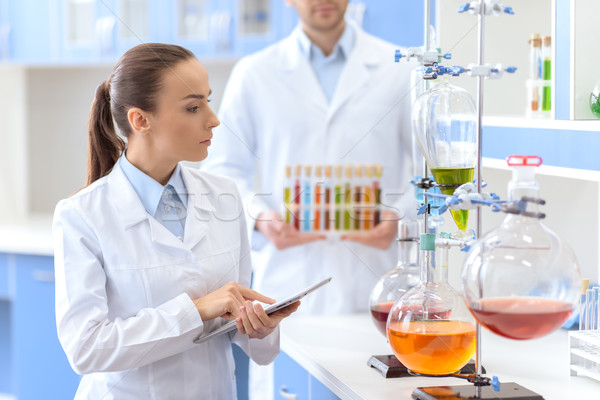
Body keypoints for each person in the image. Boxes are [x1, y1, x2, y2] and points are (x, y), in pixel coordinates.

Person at [52, 43, 300, 400]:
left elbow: (239, 329)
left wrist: (258, 327)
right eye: (193, 107)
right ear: (141, 120)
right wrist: (196, 310)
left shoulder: (225, 196)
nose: (213, 119)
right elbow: (86, 348)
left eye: (208, 102)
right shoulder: (81, 215)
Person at [203, 0, 417, 398]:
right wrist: (261, 217)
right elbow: (222, 170)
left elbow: (430, 171)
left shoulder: (400, 68)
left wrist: (398, 218)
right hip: (287, 287)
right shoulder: (255, 73)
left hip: (375, 288)